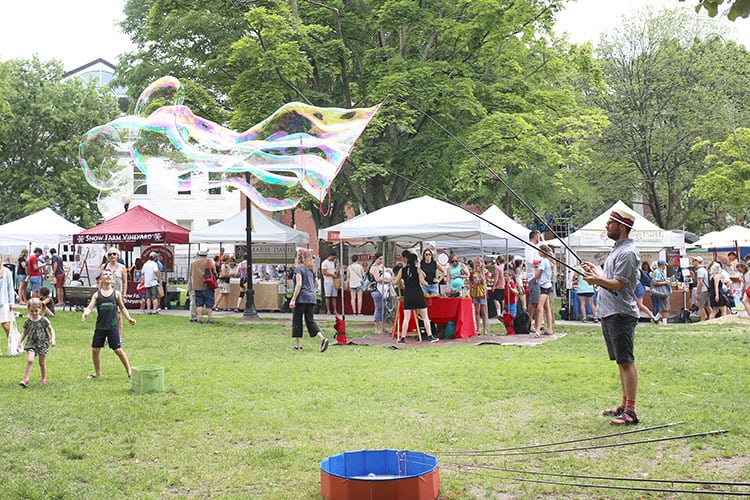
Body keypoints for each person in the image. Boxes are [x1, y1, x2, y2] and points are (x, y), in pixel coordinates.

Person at [582, 207, 641, 426]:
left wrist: (597, 280)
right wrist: (596, 270)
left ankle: (631, 411)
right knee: (620, 362)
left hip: (621, 313)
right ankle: (624, 405)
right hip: (610, 312)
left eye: (610, 224)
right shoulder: (617, 250)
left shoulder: (627, 252)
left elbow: (618, 284)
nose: (606, 227)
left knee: (627, 361)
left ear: (622, 227)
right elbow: (610, 278)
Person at [81, 270, 136, 379]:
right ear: (101, 279)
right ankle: (97, 373)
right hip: (100, 326)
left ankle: (129, 371)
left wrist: (129, 318)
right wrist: (85, 314)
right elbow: (90, 307)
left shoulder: (116, 294)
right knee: (95, 349)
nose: (108, 276)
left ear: (113, 279)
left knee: (117, 349)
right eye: (105, 274)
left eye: (110, 275)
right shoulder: (97, 295)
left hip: (113, 326)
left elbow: (123, 308)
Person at [289, 250, 329, 352]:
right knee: (310, 320)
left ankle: (299, 345)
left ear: (300, 257)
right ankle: (322, 338)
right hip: (311, 297)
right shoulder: (312, 269)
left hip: (301, 297)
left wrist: (293, 299)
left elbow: (299, 284)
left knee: (297, 320)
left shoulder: (299, 269)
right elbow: (315, 283)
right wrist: (312, 291)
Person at [394, 251, 438, 343]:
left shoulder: (403, 270)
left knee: (406, 318)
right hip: (418, 294)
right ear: (415, 261)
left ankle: (402, 338)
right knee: (425, 316)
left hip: (408, 295)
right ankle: (430, 336)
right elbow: (422, 282)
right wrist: (426, 282)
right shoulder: (417, 269)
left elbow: (395, 282)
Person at [18, 298, 56, 387]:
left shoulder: (44, 320)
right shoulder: (27, 321)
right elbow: (24, 332)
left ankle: (43, 378)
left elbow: (51, 329)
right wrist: (19, 342)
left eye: (36, 311)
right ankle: (26, 379)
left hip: (42, 343)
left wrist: (53, 339)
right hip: (31, 343)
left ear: (40, 309)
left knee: (41, 362)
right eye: (31, 311)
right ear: (28, 310)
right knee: (30, 360)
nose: (34, 313)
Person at [532, 244, 555, 336]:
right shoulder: (548, 261)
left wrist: (536, 271)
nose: (538, 252)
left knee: (539, 307)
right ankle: (549, 328)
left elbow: (537, 275)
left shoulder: (544, 261)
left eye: (539, 251)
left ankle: (538, 329)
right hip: (547, 285)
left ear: (543, 252)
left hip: (544, 286)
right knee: (547, 307)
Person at [189, 249, 216, 323]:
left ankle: (199, 319)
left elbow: (191, 273)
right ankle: (209, 319)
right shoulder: (209, 262)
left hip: (197, 286)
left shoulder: (193, 263)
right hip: (208, 285)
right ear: (206, 255)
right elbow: (214, 272)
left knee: (199, 304)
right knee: (209, 304)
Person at [369, 252, 392, 335]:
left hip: (384, 290)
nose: (381, 260)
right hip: (376, 290)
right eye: (380, 259)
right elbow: (378, 279)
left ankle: (382, 327)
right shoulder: (374, 268)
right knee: (378, 308)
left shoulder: (382, 267)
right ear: (376, 259)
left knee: (383, 309)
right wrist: (388, 281)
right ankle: (377, 328)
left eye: (382, 259)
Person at [469, 256, 490, 335]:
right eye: (476, 263)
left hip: (482, 292)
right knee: (477, 311)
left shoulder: (485, 271)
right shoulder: (472, 272)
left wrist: (480, 273)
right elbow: (470, 281)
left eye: (479, 263)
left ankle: (485, 329)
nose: (477, 264)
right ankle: (478, 328)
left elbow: (485, 281)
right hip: (475, 292)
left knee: (483, 311)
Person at [524, 230, 542, 327]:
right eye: (539, 236)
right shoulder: (529, 247)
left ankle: (536, 322)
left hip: (538, 277)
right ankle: (529, 322)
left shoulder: (536, 247)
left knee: (537, 301)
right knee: (534, 301)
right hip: (533, 276)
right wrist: (541, 261)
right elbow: (530, 260)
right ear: (535, 236)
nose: (540, 238)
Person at [1, 263, 17, 349]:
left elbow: (10, 288)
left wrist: (12, 303)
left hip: (4, 301)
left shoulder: (6, 271)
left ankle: (13, 346)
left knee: (6, 325)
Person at [651, 260, 671, 325]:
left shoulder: (660, 272)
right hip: (661, 291)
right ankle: (665, 323)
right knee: (665, 307)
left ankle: (655, 319)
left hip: (663, 291)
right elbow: (655, 282)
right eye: (664, 265)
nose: (665, 266)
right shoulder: (657, 272)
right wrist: (665, 282)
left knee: (664, 307)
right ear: (662, 265)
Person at [491, 255, 506, 320]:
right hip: (504, 285)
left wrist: (494, 285)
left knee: (496, 299)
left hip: (499, 286)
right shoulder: (505, 266)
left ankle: (498, 313)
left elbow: (496, 278)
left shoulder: (497, 268)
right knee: (502, 299)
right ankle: (503, 312)